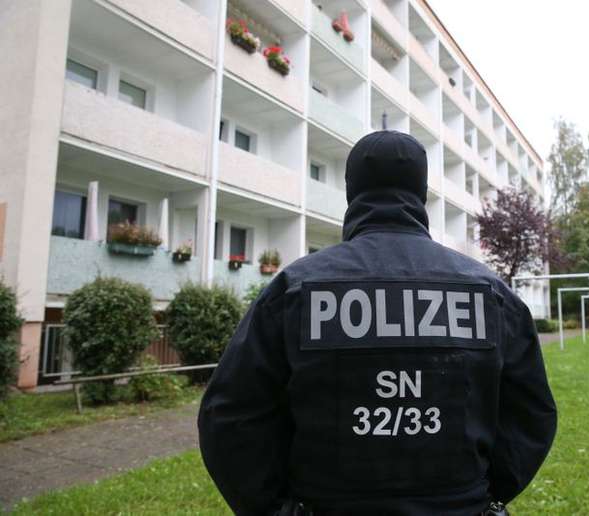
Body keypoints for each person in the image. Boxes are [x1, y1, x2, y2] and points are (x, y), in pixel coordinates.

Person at [198, 131, 557, 516]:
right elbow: (531, 413)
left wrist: (277, 508)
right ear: (421, 193)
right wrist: (478, 496)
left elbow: (230, 416)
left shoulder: (295, 289)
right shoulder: (489, 292)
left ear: (351, 191)